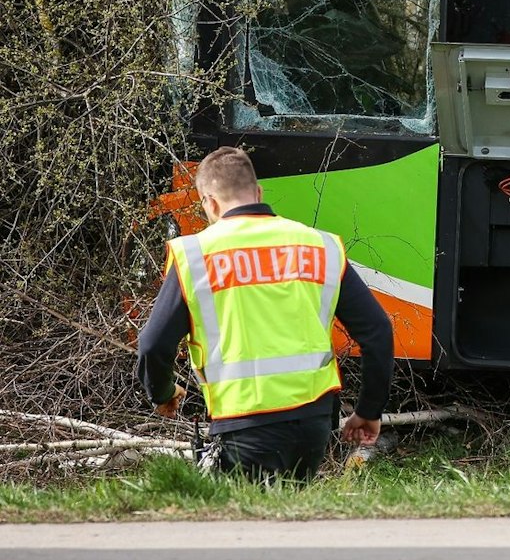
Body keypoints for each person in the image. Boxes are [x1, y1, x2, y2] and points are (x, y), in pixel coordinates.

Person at [137, 146, 394, 481]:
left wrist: (163, 393)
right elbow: (378, 331)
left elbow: (154, 345)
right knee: (285, 515)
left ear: (209, 203)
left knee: (241, 525)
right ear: (258, 192)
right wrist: (369, 411)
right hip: (314, 423)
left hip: (245, 423)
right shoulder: (320, 246)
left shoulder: (196, 255)